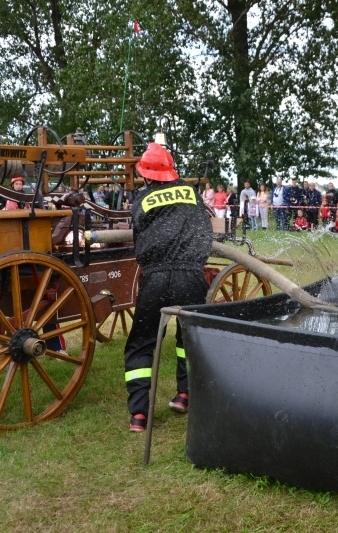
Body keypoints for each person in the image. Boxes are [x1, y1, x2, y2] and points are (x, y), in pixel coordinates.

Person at [124, 142, 212, 432]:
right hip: (191, 274)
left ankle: (139, 415)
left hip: (156, 277)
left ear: (146, 175)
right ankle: (185, 394)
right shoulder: (191, 192)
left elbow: (138, 232)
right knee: (189, 337)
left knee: (142, 342)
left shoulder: (141, 199)